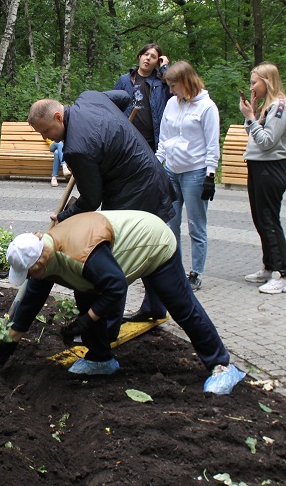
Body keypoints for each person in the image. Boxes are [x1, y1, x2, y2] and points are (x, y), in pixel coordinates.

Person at [0, 210, 245, 395]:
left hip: (151, 243)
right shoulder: (42, 254)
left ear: (39, 263)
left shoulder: (79, 252)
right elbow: (30, 302)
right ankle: (100, 359)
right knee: (86, 300)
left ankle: (221, 365)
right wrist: (6, 346)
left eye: (29, 273)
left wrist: (86, 320)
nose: (29, 278)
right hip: (103, 268)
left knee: (183, 307)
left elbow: (115, 288)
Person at [28, 91, 176, 324]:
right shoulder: (89, 98)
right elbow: (124, 97)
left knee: (117, 258)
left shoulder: (77, 148)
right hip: (148, 174)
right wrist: (114, 130)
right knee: (148, 250)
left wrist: (64, 216)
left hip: (134, 192)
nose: (50, 139)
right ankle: (154, 306)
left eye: (47, 131)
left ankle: (108, 325)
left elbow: (90, 200)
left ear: (58, 116)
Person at [156, 61, 220, 292]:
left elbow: (212, 145)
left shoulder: (207, 107)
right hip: (171, 170)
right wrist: (157, 165)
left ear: (185, 82)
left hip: (195, 172)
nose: (171, 91)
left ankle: (196, 273)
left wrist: (210, 175)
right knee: (170, 224)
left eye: (174, 86)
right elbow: (164, 138)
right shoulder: (172, 104)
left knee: (196, 225)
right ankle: (174, 270)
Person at [238, 62, 286, 294]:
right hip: (258, 168)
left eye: (254, 82)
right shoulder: (266, 107)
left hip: (271, 169)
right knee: (260, 219)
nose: (251, 86)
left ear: (267, 81)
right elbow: (250, 131)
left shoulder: (279, 107)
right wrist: (251, 113)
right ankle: (269, 266)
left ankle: (283, 275)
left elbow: (267, 141)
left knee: (269, 221)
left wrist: (251, 117)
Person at [113, 43, 171, 151]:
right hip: (128, 139)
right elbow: (112, 107)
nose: (148, 58)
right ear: (140, 57)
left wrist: (165, 69)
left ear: (158, 62)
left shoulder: (162, 83)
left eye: (153, 57)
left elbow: (177, 94)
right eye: (146, 54)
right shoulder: (125, 80)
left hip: (152, 142)